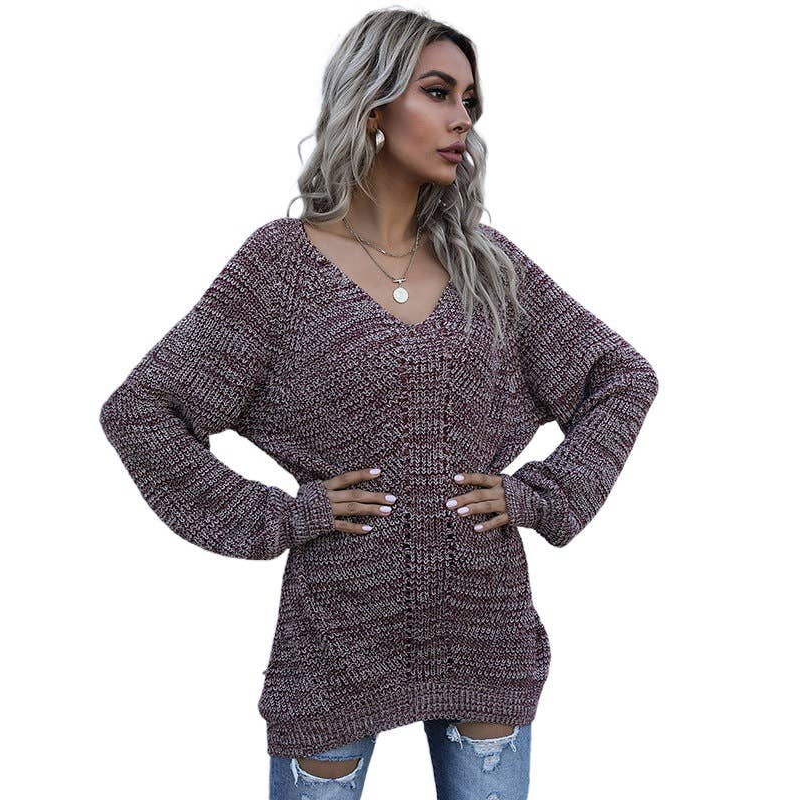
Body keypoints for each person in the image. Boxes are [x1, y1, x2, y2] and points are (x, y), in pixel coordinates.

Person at [99, 8, 658, 800]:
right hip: (337, 643)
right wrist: (281, 516)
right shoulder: (279, 267)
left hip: (482, 630)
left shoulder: (489, 266)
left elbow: (622, 376)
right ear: (372, 107)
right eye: (438, 92)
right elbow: (142, 411)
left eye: (470, 100)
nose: (462, 119)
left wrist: (543, 494)